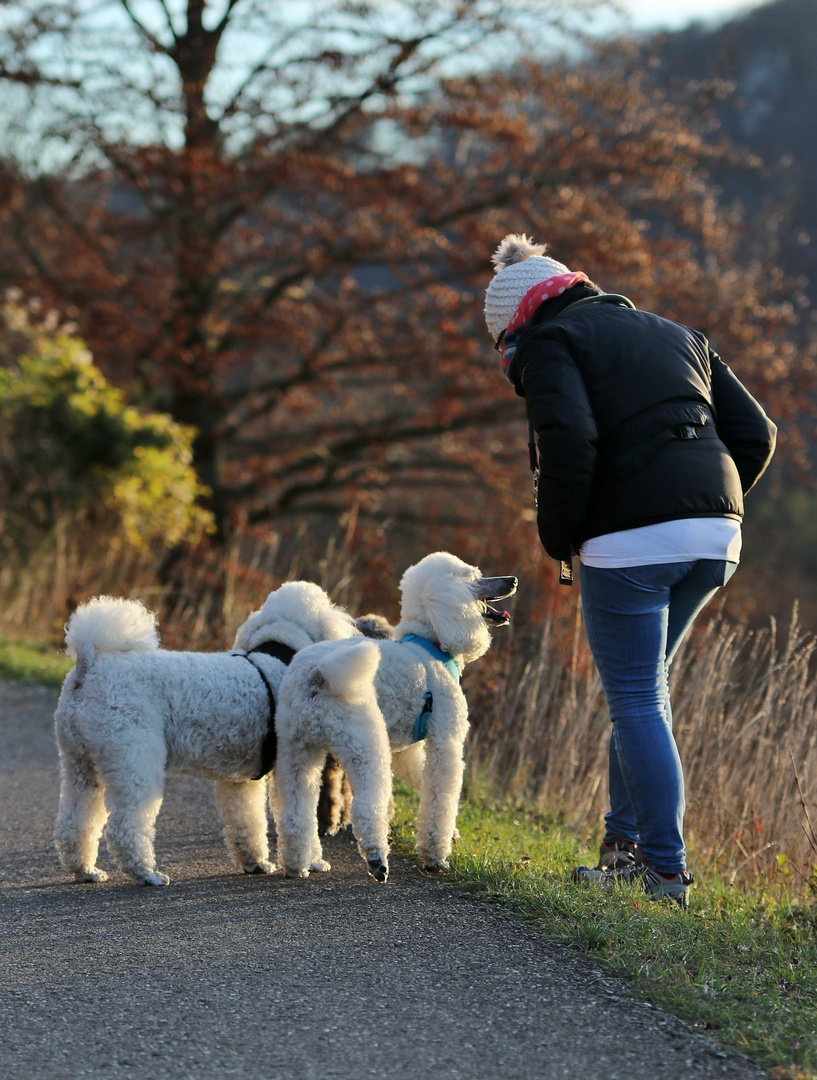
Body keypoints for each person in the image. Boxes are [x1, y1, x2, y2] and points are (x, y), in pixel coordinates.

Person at [484, 234, 777, 907]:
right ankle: (622, 852)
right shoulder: (676, 333)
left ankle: (663, 872)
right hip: (715, 538)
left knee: (638, 701)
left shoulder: (547, 345)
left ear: (517, 321)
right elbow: (755, 435)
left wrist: (559, 540)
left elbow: (569, 443)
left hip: (629, 545)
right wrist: (706, 508)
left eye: (502, 345)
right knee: (645, 695)